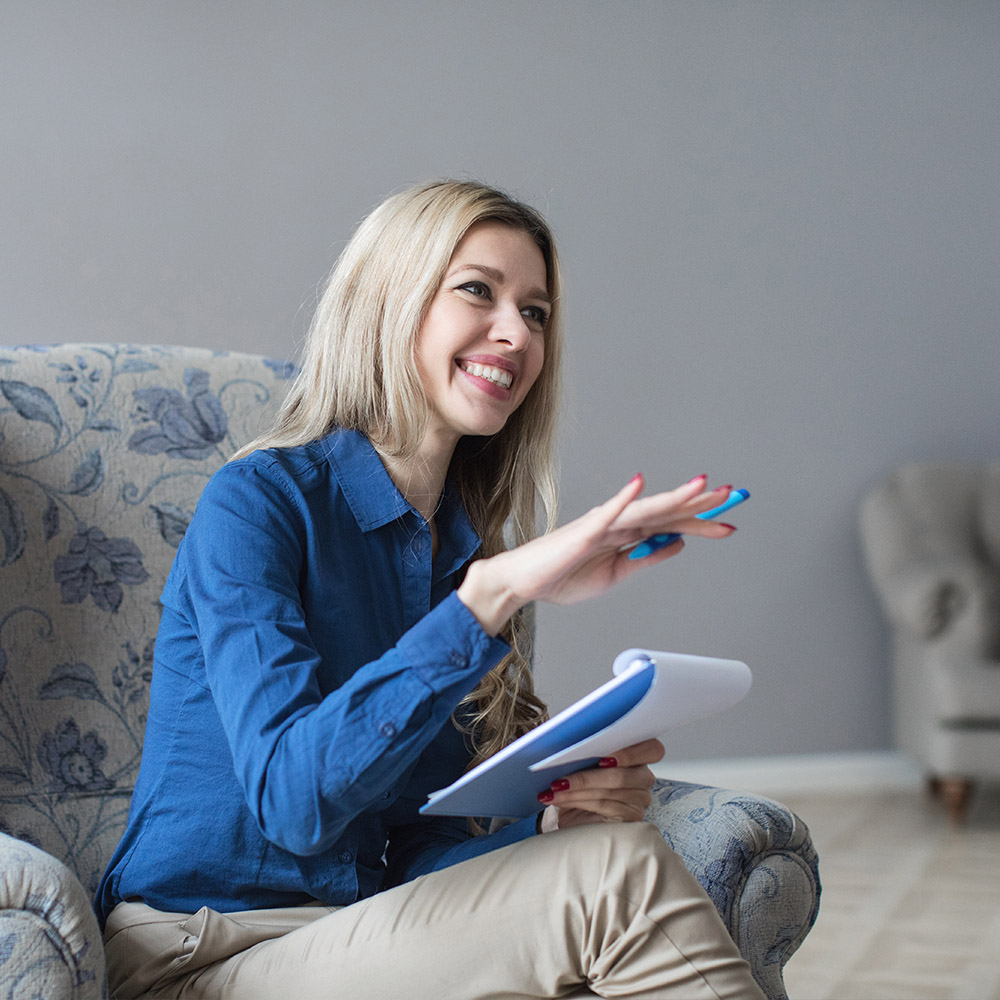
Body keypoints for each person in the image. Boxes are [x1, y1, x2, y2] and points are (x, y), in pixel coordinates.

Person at [96, 180, 764, 999]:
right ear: (390, 303)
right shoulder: (257, 504)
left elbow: (403, 846)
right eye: (478, 290)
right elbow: (295, 804)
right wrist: (488, 599)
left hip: (353, 935)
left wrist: (549, 826)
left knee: (603, 865)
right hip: (200, 953)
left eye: (538, 312)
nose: (516, 332)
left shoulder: (458, 552)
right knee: (617, 876)